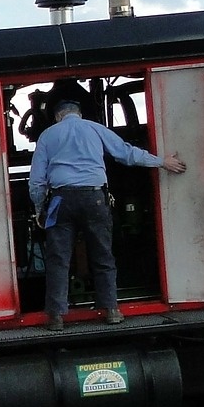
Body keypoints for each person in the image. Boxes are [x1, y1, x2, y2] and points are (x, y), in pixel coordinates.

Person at [28, 98, 186, 329]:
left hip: (61, 200)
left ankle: (56, 316)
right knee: (102, 254)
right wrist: (161, 162)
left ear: (58, 116)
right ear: (79, 114)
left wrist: (39, 208)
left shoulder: (48, 135)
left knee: (58, 259)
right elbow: (126, 154)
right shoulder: (95, 128)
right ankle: (111, 309)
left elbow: (37, 180)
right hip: (95, 198)